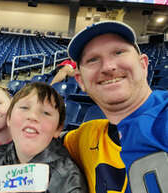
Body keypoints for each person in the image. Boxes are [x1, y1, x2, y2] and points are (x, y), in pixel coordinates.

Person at [63, 20, 168, 193]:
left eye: (119, 52)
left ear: (143, 65)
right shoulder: (84, 136)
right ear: (81, 81)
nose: (108, 67)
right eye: (93, 59)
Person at [0, 82, 87, 193]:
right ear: (9, 118)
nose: (32, 116)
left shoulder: (68, 177)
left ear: (58, 129)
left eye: (46, 112)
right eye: (24, 108)